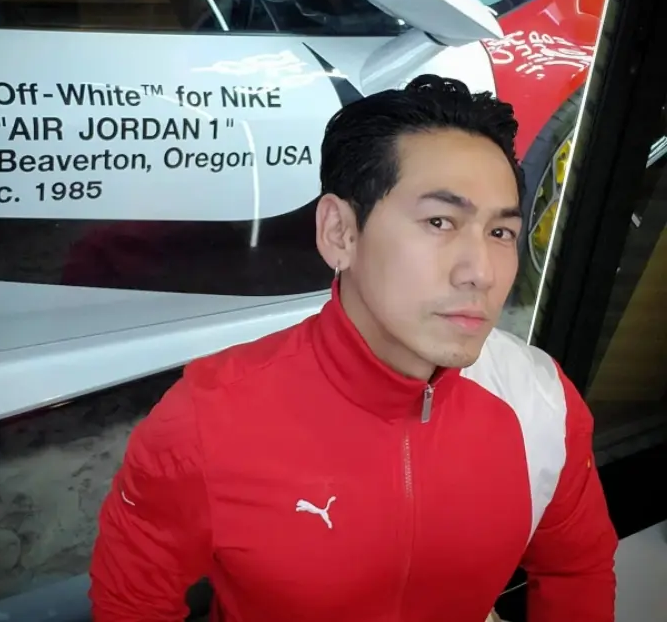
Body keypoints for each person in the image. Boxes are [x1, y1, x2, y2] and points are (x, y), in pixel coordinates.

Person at [89, 75, 617, 621]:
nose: (481, 272)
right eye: (440, 221)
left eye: (500, 233)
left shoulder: (540, 401)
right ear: (340, 232)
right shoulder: (205, 421)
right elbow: (132, 605)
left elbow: (576, 568)